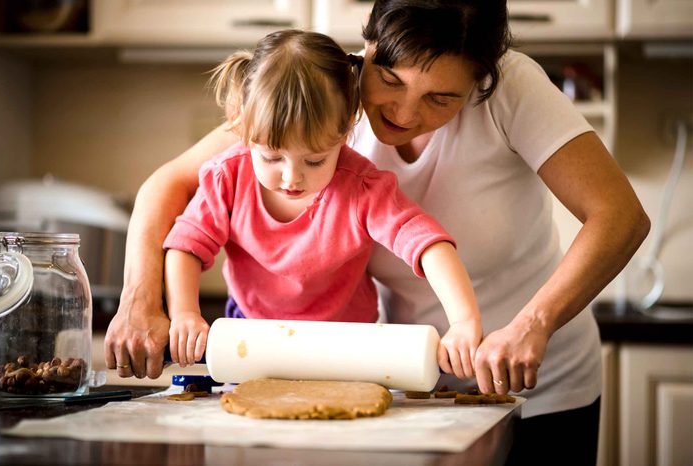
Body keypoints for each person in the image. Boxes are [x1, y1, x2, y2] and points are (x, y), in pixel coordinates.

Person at [105, 1, 649, 464]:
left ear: (483, 79)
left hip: (537, 382)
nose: (404, 113)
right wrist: (142, 301)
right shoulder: (325, 91)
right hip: (411, 383)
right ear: (366, 45)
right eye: (388, 79)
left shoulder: (514, 88)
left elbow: (620, 216)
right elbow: (170, 185)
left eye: (442, 98)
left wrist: (532, 324)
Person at [161, 29, 482, 376]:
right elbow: (186, 246)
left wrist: (464, 320)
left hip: (347, 349)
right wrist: (185, 313)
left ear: (346, 130)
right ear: (242, 125)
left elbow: (427, 244)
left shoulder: (362, 188)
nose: (291, 178)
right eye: (271, 158)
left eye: (314, 161)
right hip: (253, 343)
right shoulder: (228, 178)